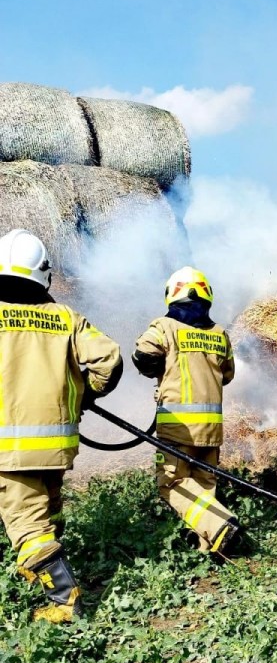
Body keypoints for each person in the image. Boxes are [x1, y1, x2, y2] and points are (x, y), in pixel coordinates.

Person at [0, 229, 123, 622]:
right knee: (48, 512)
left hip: (8, 448)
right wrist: (85, 394)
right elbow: (109, 361)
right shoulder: (66, 317)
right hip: (56, 445)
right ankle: (49, 564)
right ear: (44, 275)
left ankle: (66, 602)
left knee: (28, 524)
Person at [133, 266, 239, 556]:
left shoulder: (164, 327)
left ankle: (219, 527)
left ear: (172, 295)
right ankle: (210, 547)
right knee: (203, 485)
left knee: (172, 482)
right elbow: (227, 374)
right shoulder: (220, 334)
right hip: (211, 431)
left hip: (177, 428)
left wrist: (163, 373)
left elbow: (142, 355)